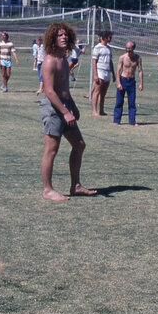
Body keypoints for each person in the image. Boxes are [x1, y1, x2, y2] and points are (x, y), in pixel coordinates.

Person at [38, 22, 96, 202]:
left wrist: (73, 106)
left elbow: (64, 89)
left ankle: (76, 185)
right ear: (53, 38)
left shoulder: (64, 59)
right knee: (51, 150)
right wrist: (65, 112)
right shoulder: (49, 61)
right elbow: (49, 91)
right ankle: (47, 190)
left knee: (79, 145)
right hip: (54, 109)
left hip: (64, 107)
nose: (64, 37)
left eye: (65, 35)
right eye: (59, 35)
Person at [113, 40, 143, 126]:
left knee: (132, 102)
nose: (128, 50)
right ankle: (117, 120)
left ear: (133, 48)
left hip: (132, 81)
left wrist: (141, 83)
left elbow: (140, 71)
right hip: (123, 80)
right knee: (119, 101)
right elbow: (118, 71)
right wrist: (119, 83)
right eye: (127, 48)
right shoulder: (122, 57)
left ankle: (132, 121)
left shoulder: (138, 58)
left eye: (130, 48)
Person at [90, 30, 113, 116]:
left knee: (103, 93)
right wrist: (96, 75)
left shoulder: (109, 48)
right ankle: (94, 111)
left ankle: (101, 111)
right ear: (104, 38)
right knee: (97, 91)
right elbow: (94, 62)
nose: (110, 39)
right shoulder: (97, 47)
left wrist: (113, 74)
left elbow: (110, 62)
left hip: (107, 72)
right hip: (100, 71)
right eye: (109, 37)